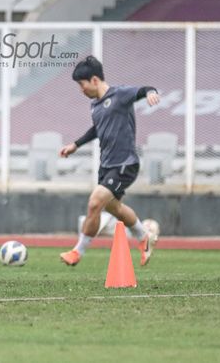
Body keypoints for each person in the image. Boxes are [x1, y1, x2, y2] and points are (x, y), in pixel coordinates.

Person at [58, 56, 160, 267]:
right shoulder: (95, 106)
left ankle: (77, 252)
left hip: (125, 163)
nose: (81, 90)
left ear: (94, 80)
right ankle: (144, 238)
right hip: (107, 166)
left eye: (81, 84)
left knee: (95, 202)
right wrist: (75, 145)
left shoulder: (119, 95)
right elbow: (97, 128)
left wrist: (151, 93)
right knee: (116, 209)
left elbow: (144, 89)